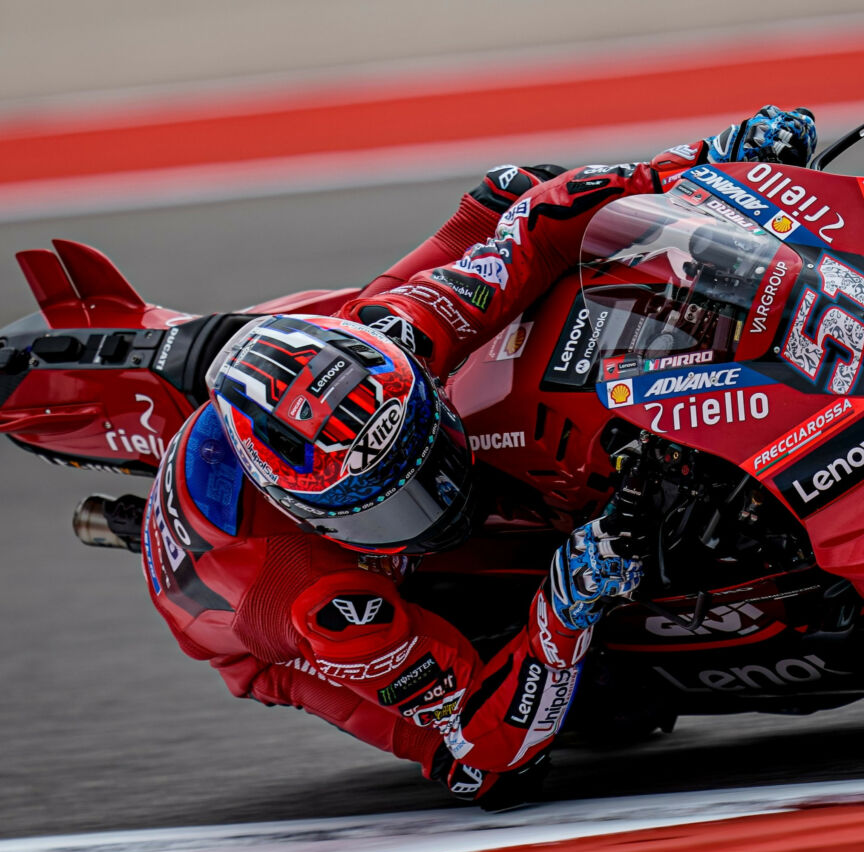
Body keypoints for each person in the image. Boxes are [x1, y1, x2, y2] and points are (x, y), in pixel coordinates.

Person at [141, 107, 818, 809]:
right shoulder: (321, 605)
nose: (445, 492)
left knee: (514, 192)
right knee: (482, 770)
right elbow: (485, 743)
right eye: (393, 502)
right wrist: (568, 599)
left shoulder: (397, 338)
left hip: (354, 343)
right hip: (259, 625)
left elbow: (542, 224)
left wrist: (708, 156)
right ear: (312, 517)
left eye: (430, 448)